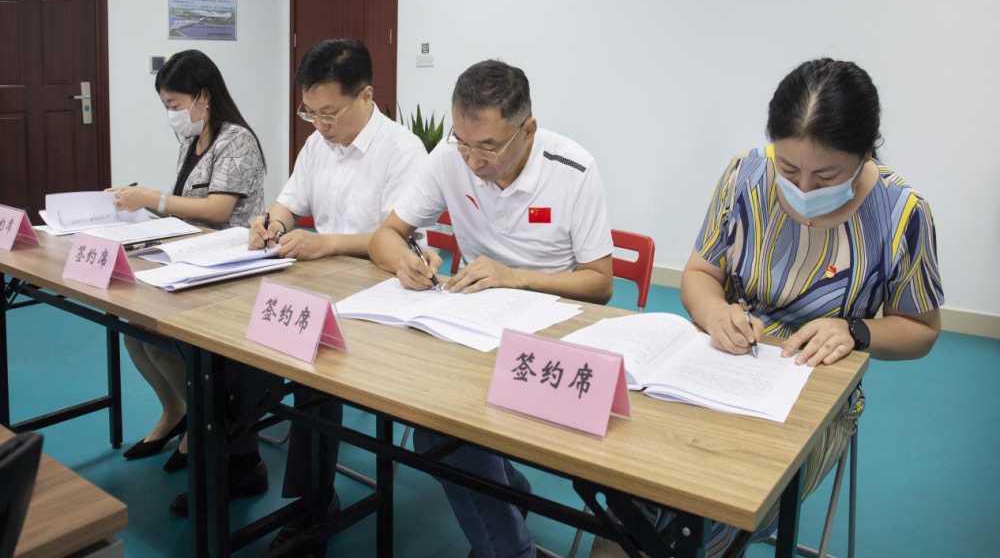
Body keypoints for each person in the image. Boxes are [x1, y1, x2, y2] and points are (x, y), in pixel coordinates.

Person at [591, 58, 944, 557]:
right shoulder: (745, 175)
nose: (803, 189)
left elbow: (921, 329)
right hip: (718, 364)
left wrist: (856, 331)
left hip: (817, 397)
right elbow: (699, 274)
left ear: (867, 150)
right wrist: (714, 313)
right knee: (632, 484)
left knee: (715, 507)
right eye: (789, 169)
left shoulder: (902, 213)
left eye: (826, 175)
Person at [369, 59, 614, 558]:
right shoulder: (450, 157)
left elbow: (600, 283)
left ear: (528, 130)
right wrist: (405, 261)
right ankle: (511, 501)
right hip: (473, 327)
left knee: (446, 438)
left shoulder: (573, 169)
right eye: (463, 142)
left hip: (551, 334)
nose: (474, 160)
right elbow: (386, 235)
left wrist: (516, 276)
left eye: (488, 147)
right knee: (437, 428)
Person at [258, 39, 427, 552]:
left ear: (366, 96)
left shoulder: (402, 151)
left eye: (328, 113)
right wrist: (273, 224)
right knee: (236, 347)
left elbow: (394, 238)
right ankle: (236, 459)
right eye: (309, 112)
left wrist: (326, 242)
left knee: (317, 366)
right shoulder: (317, 144)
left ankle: (313, 505)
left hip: (383, 294)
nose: (319, 124)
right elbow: (289, 202)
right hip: (320, 283)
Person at [107, 49, 270, 515]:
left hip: (232, 266)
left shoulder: (237, 140)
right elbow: (183, 206)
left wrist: (151, 198)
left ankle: (206, 430)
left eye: (175, 104)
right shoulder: (193, 139)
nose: (172, 115)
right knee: (135, 332)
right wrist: (142, 206)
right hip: (191, 258)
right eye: (166, 106)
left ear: (204, 96)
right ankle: (177, 413)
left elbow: (218, 210)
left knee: (171, 344)